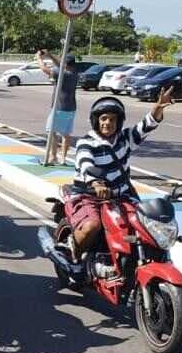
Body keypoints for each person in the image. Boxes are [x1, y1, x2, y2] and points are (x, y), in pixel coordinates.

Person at [63, 90, 174, 273]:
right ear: (96, 120)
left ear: (119, 122)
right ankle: (74, 257)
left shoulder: (125, 139)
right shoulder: (87, 142)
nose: (107, 123)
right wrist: (96, 183)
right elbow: (85, 163)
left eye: (112, 119)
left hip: (121, 195)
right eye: (104, 118)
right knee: (92, 226)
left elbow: (146, 126)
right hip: (89, 196)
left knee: (145, 224)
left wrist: (158, 107)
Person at [38, 49, 80, 166]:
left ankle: (53, 157)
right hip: (71, 107)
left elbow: (44, 69)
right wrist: (49, 55)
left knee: (52, 132)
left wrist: (39, 58)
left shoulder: (63, 75)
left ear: (65, 64)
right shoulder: (74, 73)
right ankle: (63, 159)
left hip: (59, 107)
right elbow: (60, 64)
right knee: (66, 134)